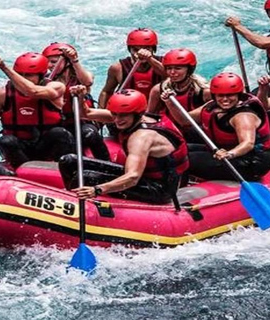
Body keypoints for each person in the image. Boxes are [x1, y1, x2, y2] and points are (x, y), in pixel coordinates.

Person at [59, 88, 189, 205]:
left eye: (122, 115)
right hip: (144, 177)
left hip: (159, 188)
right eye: (114, 114)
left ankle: (81, 205)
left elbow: (132, 177)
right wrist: (81, 97)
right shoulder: (131, 117)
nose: (116, 120)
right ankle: (74, 199)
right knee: (69, 161)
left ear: (137, 114)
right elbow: (86, 113)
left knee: (88, 177)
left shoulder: (141, 138)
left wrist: (97, 189)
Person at [0, 52, 75, 169]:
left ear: (41, 76)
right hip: (21, 148)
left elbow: (33, 92)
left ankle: (65, 170)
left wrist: (4, 67)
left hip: (47, 148)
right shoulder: (2, 94)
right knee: (6, 141)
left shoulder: (56, 87)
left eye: (29, 75)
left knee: (60, 133)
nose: (23, 79)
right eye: (20, 74)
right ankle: (23, 171)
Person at [164, 72, 270, 181]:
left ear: (238, 95)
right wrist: (170, 103)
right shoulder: (212, 106)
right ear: (214, 95)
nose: (225, 99)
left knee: (186, 160)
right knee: (180, 151)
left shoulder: (243, 116)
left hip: (251, 162)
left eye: (230, 95)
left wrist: (229, 154)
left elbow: (247, 143)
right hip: (224, 150)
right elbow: (184, 120)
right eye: (220, 95)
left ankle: (179, 185)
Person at [42, 42, 109, 160]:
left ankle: (106, 163)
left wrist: (74, 60)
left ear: (67, 62)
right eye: (47, 62)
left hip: (81, 122)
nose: (49, 66)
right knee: (59, 134)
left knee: (90, 133)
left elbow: (88, 81)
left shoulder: (81, 77)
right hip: (58, 125)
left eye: (53, 62)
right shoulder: (46, 81)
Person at [147, 48, 211, 143]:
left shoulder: (204, 92)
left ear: (189, 70)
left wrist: (169, 102)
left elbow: (185, 122)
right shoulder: (158, 90)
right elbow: (149, 117)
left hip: (196, 134)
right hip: (170, 134)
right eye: (169, 68)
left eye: (178, 68)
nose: (172, 72)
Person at [98, 28, 166, 108]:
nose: (140, 53)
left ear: (153, 49)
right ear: (129, 50)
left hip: (156, 112)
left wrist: (150, 59)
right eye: (135, 49)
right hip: (129, 113)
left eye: (146, 49)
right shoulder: (117, 68)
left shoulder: (165, 63)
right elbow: (106, 92)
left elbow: (169, 76)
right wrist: (101, 113)